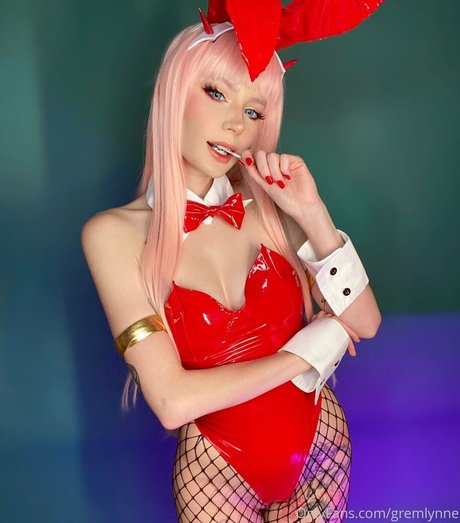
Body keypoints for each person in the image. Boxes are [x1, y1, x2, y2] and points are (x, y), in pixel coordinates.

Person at [81, 5, 382, 522]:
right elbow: (172, 403)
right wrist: (307, 354)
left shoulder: (272, 208)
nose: (236, 125)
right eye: (216, 93)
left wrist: (312, 212)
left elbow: (365, 322)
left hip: (320, 447)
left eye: (254, 111)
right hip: (215, 474)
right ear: (174, 92)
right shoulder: (112, 236)